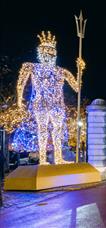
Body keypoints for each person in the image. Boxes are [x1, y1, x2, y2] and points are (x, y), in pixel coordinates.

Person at [17, 31, 85, 165]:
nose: (49, 54)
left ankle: (58, 158)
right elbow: (21, 83)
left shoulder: (61, 71)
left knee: (57, 130)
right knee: (42, 129)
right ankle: (42, 159)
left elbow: (77, 87)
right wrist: (19, 99)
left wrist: (80, 70)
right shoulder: (31, 67)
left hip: (57, 105)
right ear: (40, 53)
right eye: (45, 51)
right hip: (41, 103)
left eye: (51, 52)